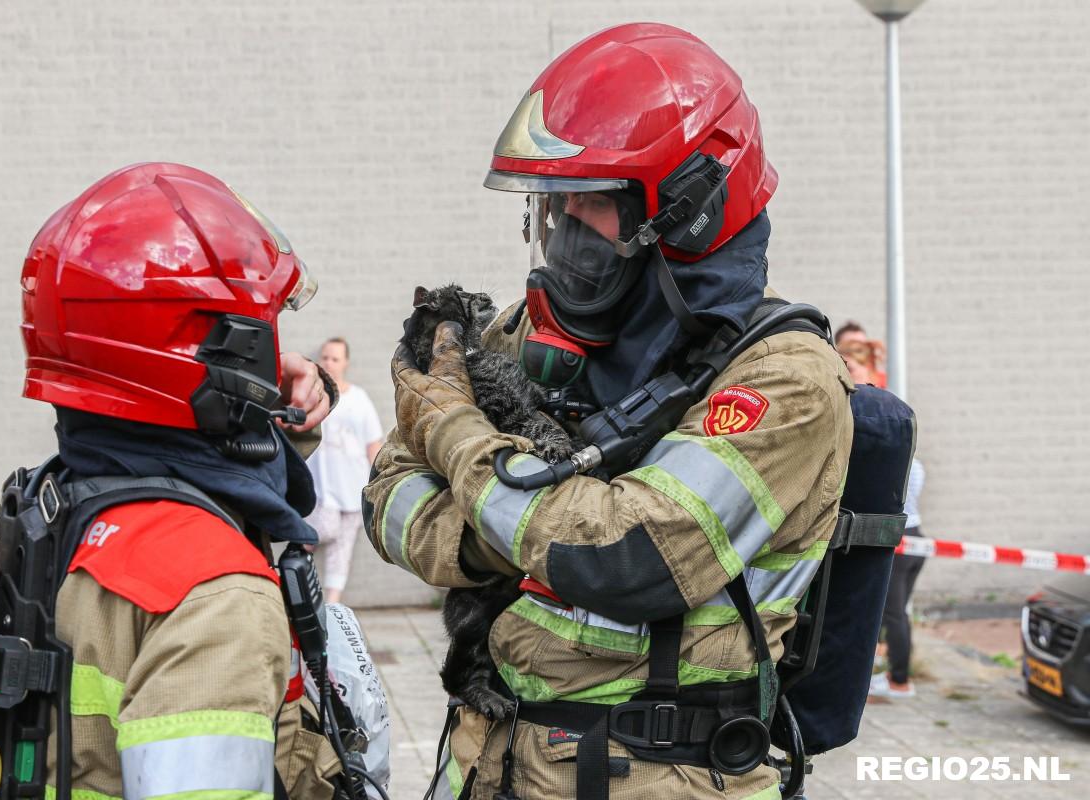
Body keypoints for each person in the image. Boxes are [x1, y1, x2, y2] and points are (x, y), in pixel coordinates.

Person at [364, 23, 854, 800]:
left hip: (657, 774)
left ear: (688, 209)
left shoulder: (785, 380)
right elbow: (387, 490)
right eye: (553, 206)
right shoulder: (543, 330)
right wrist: (522, 531)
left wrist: (457, 433)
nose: (561, 233)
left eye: (590, 203)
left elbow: (622, 558)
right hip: (494, 761)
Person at [20, 163, 342, 798]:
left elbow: (218, 475)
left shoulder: (56, 499)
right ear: (216, 351)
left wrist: (255, 398)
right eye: (259, 329)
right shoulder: (216, 596)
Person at [307, 336, 384, 603]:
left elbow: (373, 443)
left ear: (345, 363)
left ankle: (332, 604)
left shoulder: (358, 399)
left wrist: (378, 483)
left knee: (342, 549)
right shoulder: (311, 396)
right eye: (325, 357)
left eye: (335, 358)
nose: (329, 362)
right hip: (321, 487)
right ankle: (300, 549)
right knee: (325, 528)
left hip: (353, 486)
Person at [869, 457, 926, 698]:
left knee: (894, 614)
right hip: (917, 535)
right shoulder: (918, 465)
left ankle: (900, 680)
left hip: (900, 537)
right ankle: (887, 672)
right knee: (896, 612)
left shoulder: (893, 463)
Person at [834, 321, 887, 388]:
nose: (855, 354)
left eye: (860, 348)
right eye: (848, 348)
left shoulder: (885, 381)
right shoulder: (830, 379)